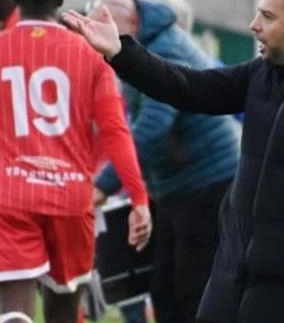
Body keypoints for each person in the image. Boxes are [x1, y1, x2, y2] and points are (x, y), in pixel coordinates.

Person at [62, 0, 284, 322]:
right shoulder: (263, 74)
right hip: (231, 281)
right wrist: (121, 52)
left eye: (267, 17)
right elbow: (189, 87)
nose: (254, 26)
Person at [0, 0, 152, 322]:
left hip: (11, 199)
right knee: (64, 315)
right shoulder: (90, 57)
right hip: (70, 201)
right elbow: (116, 131)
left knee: (14, 314)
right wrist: (138, 198)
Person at [90, 1, 240, 323]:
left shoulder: (165, 46)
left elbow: (154, 126)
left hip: (207, 184)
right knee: (163, 288)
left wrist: (104, 184)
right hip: (175, 187)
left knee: (192, 288)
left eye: (103, 17)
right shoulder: (142, 44)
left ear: (127, 15)